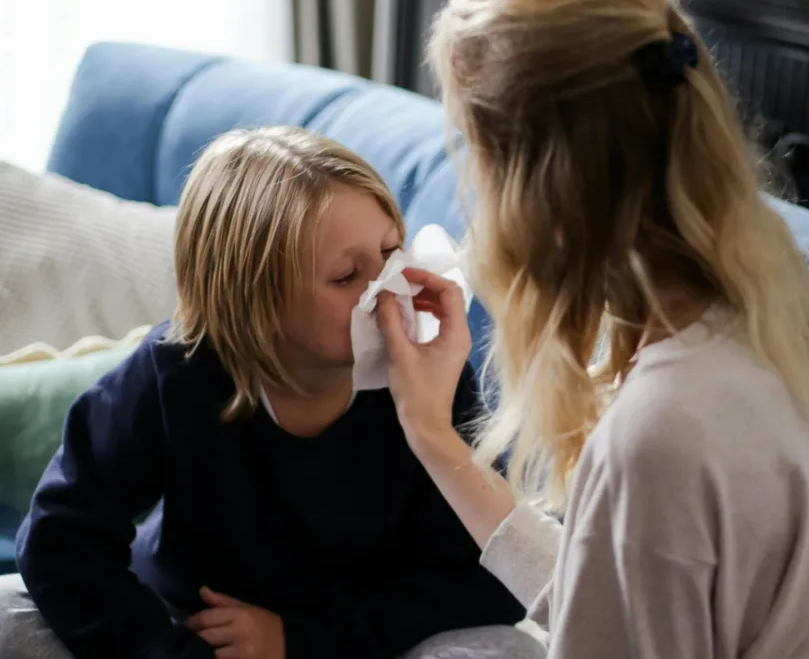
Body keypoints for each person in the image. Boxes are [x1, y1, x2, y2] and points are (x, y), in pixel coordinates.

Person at [373, 0, 809, 657]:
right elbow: (619, 597)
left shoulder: (661, 436)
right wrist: (433, 435)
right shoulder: (779, 332)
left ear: (537, 192)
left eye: (476, 158)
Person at [0, 126, 537, 659]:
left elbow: (497, 579)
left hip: (362, 634)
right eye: (347, 275)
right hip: (188, 624)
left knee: (508, 651)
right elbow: (58, 539)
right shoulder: (176, 373)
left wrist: (301, 640)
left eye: (391, 249)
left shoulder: (430, 374)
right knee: (10, 614)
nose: (388, 285)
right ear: (256, 301)